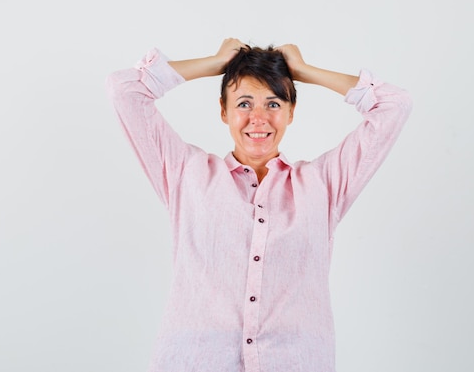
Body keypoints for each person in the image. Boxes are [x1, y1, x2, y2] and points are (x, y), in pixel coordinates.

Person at [106, 38, 412, 372]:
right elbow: (124, 90)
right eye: (244, 103)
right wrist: (216, 63)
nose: (258, 118)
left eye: (274, 103)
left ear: (291, 112)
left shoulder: (323, 185)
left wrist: (306, 72)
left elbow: (394, 106)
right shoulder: (186, 174)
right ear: (223, 111)